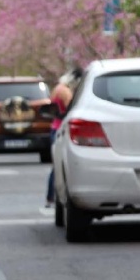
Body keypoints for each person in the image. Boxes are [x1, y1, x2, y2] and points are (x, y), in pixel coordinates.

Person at [45, 67, 83, 207]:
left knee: (56, 165)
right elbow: (70, 110)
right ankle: (53, 197)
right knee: (60, 166)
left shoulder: (57, 88)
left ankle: (50, 197)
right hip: (61, 128)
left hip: (54, 127)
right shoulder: (65, 92)